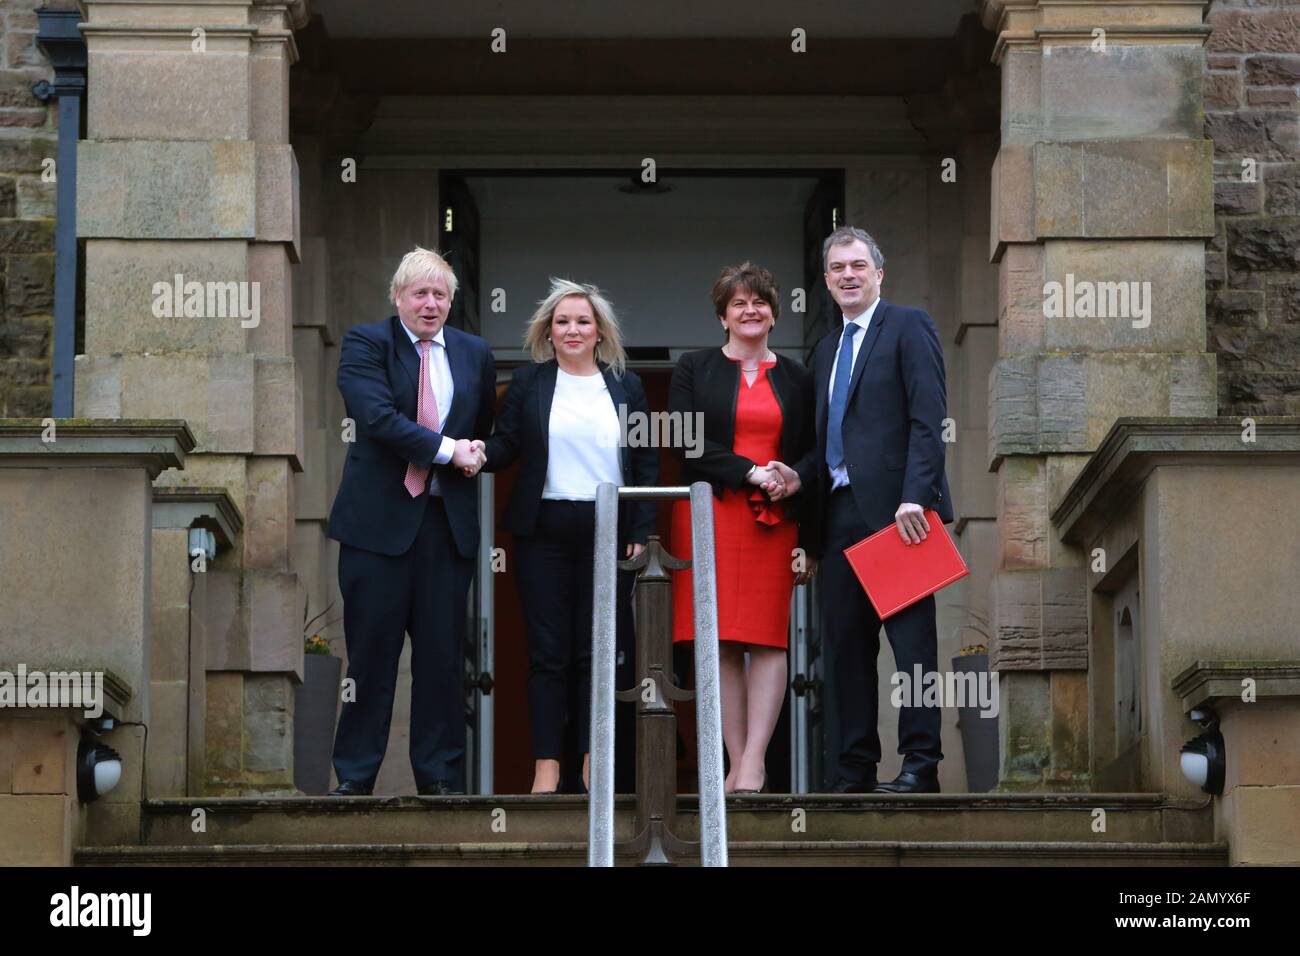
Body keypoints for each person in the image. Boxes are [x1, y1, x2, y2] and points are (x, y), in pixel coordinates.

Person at [766, 226, 953, 794]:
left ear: (879, 273)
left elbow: (928, 419)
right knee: (846, 647)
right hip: (839, 513)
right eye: (837, 268)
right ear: (826, 281)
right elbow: (830, 441)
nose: (847, 275)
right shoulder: (824, 350)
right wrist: (800, 484)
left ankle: (921, 765)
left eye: (857, 266)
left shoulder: (908, 325)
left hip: (903, 515)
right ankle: (854, 769)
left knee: (912, 647)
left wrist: (915, 497)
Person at [326, 246, 495, 796]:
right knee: (370, 659)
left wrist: (471, 452)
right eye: (419, 293)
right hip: (377, 530)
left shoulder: (474, 353)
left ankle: (439, 779)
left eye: (440, 294)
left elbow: (482, 430)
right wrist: (450, 451)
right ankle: (354, 779)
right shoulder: (366, 344)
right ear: (397, 297)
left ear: (451, 302)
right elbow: (374, 417)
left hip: (446, 528)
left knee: (444, 661)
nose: (430, 304)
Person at [481, 279, 657, 794]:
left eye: (583, 321)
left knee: (599, 651)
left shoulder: (628, 387)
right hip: (544, 532)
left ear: (599, 331)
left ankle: (591, 762)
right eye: (562, 322)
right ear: (548, 332)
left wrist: (643, 528)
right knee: (548, 652)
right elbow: (505, 445)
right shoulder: (530, 384)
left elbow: (645, 462)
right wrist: (464, 453)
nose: (573, 329)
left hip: (609, 529)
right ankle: (546, 767)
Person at [668, 262, 817, 795]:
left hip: (774, 519)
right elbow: (684, 440)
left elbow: (817, 453)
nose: (749, 310)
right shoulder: (694, 367)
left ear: (774, 313)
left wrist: (791, 478)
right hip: (710, 512)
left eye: (759, 302)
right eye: (738, 303)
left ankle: (755, 761)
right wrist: (749, 470)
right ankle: (732, 762)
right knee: (718, 641)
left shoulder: (800, 377)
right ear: (723, 316)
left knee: (768, 638)